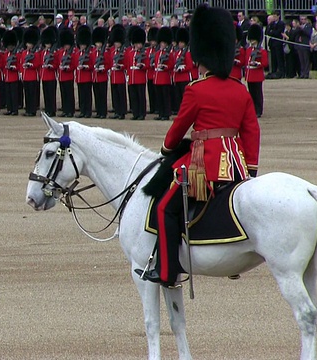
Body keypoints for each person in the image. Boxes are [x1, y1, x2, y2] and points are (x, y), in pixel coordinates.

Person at [136, 4, 260, 287]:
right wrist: (250, 167)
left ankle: (166, 271)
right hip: (237, 165)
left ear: (201, 55)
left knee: (165, 208)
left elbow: (179, 127)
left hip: (203, 165)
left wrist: (168, 148)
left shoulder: (196, 89)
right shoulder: (240, 89)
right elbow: (252, 131)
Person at [245, 24, 268, 118]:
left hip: (257, 75)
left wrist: (257, 64)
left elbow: (265, 63)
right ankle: (253, 110)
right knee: (251, 94)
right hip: (250, 75)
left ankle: (259, 110)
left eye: (253, 40)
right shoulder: (248, 50)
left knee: (258, 94)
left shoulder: (262, 51)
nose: (252, 42)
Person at [107, 24, 126, 119]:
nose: (116, 44)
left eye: (118, 43)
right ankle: (117, 111)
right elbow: (110, 62)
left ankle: (122, 112)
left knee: (121, 95)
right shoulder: (112, 51)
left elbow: (126, 64)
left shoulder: (123, 51)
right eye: (115, 43)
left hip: (120, 76)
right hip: (113, 76)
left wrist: (120, 66)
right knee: (115, 95)